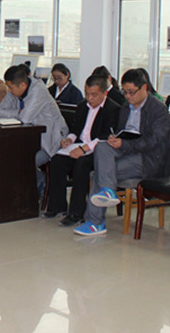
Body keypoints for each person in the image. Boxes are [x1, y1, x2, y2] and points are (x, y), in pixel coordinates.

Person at [75, 68, 170, 236]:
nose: (127, 96)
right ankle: (107, 192)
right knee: (102, 146)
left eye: (131, 92)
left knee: (100, 173)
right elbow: (120, 131)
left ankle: (95, 222)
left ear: (144, 88)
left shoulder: (158, 109)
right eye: (125, 92)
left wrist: (125, 144)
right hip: (127, 151)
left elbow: (154, 141)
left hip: (148, 159)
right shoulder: (126, 106)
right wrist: (114, 138)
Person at [45, 74, 120, 226]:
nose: (89, 98)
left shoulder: (113, 109)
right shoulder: (82, 106)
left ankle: (76, 213)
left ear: (104, 93)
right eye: (87, 93)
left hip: (98, 151)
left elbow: (105, 136)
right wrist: (69, 139)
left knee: (81, 164)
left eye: (94, 95)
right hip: (78, 146)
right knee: (57, 161)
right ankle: (58, 206)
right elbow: (76, 130)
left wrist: (83, 149)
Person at [0, 64, 69, 194]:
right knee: (7, 157)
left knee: (22, 162)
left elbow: (25, 118)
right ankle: (27, 190)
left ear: (23, 85)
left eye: (11, 88)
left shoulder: (38, 91)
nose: (9, 91)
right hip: (27, 139)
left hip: (49, 141)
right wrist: (18, 112)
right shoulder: (15, 88)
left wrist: (18, 114)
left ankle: (38, 186)